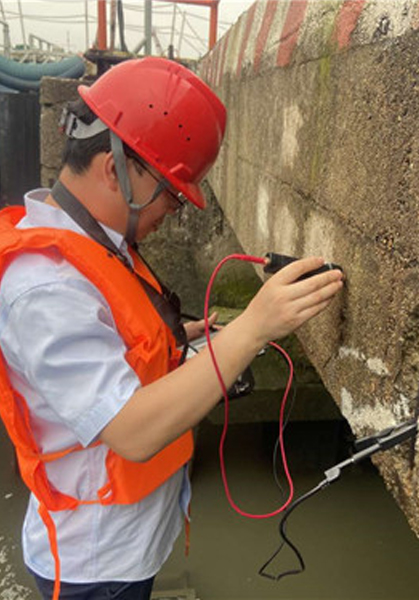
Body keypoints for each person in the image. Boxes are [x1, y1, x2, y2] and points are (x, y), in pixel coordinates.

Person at [0, 57, 344, 600]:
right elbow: (132, 431)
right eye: (172, 194)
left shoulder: (96, 247)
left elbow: (117, 342)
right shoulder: (46, 286)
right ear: (116, 169)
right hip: (96, 564)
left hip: (128, 541)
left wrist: (183, 336)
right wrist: (250, 330)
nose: (173, 211)